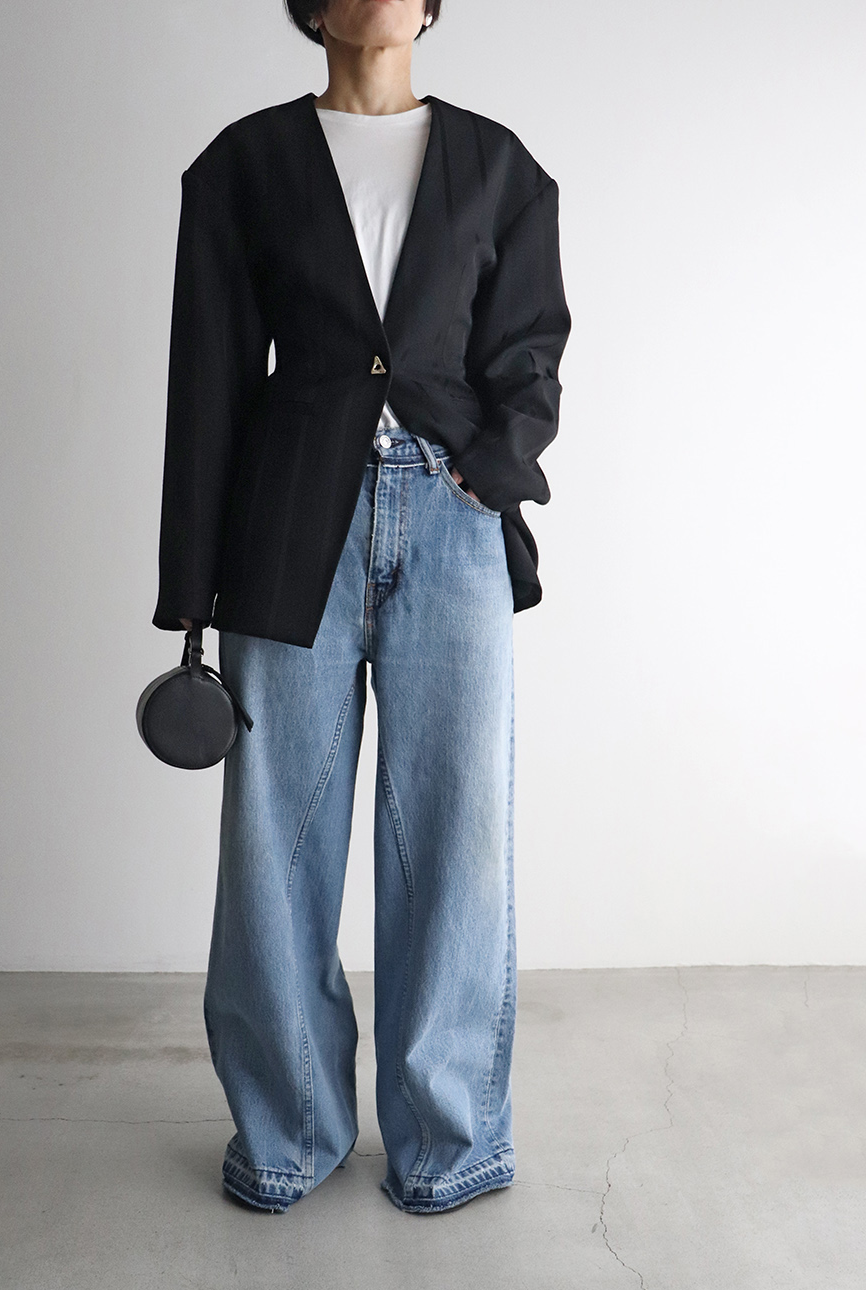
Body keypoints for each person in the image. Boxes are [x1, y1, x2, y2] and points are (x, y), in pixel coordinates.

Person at [155, 0, 571, 1213]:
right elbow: (208, 376)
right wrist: (191, 587)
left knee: (454, 835)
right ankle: (288, 1133)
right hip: (288, 526)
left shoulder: (497, 164)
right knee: (275, 839)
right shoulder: (243, 164)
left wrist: (493, 465)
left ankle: (449, 1138)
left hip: (453, 521)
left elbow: (531, 342)